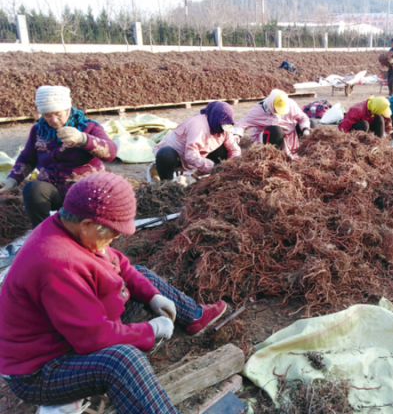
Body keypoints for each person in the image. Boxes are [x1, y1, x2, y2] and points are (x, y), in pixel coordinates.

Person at [0, 173, 228, 413]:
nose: (116, 237)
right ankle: (61, 401)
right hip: (40, 371)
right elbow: (94, 338)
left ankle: (193, 316)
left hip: (65, 333)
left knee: (139, 275)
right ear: (87, 224)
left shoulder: (71, 227)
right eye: (112, 232)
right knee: (122, 361)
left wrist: (153, 296)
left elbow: (119, 264)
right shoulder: (57, 264)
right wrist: (152, 329)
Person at [0, 86, 117, 228]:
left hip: (84, 190)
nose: (53, 120)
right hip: (54, 190)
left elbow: (110, 152)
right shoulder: (38, 130)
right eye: (47, 115)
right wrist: (12, 180)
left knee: (81, 226)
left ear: (68, 109)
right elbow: (27, 158)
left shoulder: (88, 127)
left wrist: (83, 139)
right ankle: (43, 232)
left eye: (58, 114)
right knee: (34, 189)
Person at [153, 102, 240, 181]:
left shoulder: (222, 125)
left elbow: (234, 149)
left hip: (199, 153)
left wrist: (232, 165)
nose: (223, 129)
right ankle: (166, 184)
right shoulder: (198, 126)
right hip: (178, 154)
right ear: (215, 118)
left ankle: (217, 178)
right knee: (165, 155)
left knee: (224, 149)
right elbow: (190, 155)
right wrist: (212, 167)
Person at [234, 89, 310, 160]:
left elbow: (302, 118)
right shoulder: (259, 110)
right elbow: (242, 123)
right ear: (271, 105)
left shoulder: (291, 104)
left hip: (288, 134)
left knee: (308, 125)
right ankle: (275, 157)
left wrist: (306, 129)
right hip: (271, 136)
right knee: (276, 131)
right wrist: (237, 135)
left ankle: (300, 153)